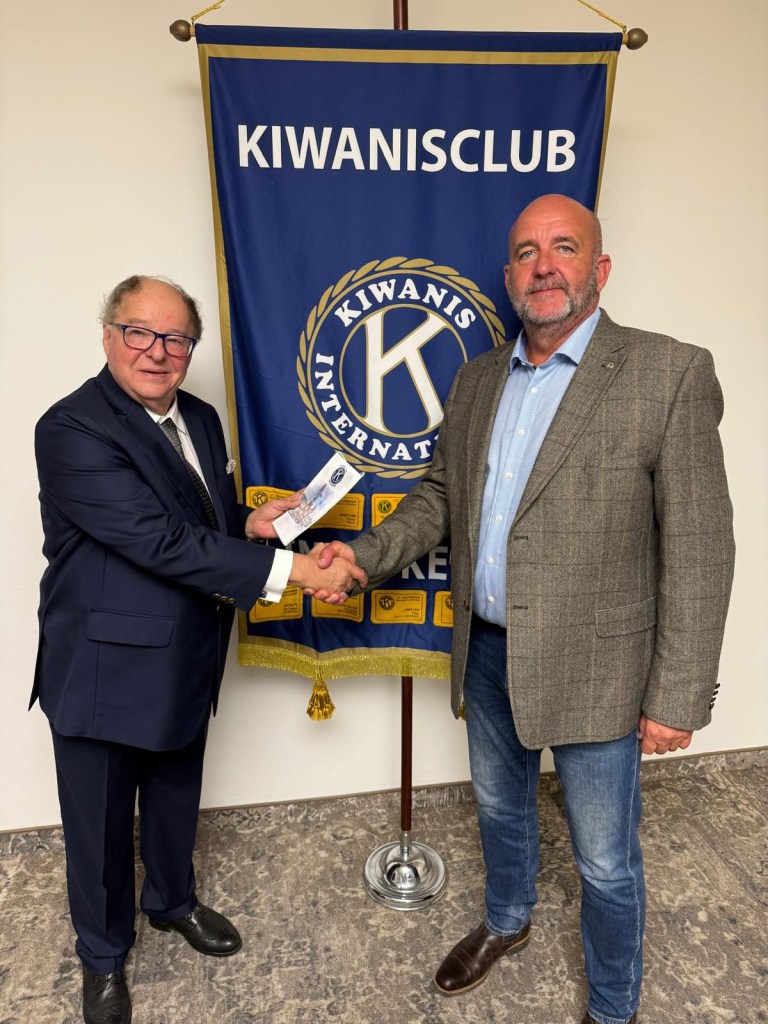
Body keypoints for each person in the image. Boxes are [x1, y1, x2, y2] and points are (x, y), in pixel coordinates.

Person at [315, 195, 735, 1024]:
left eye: (564, 248)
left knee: (605, 860)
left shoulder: (670, 373)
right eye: (527, 252)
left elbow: (700, 547)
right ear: (508, 276)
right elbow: (439, 498)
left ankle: (612, 1005)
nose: (544, 266)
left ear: (599, 268)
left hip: (601, 667)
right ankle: (507, 921)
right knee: (502, 808)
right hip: (486, 650)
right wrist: (359, 558)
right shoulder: (476, 380)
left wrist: (677, 696)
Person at [32, 275, 365, 1024]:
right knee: (100, 825)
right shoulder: (72, 428)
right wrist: (297, 572)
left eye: (177, 339)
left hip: (186, 649)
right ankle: (102, 956)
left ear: (191, 349)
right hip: (102, 667)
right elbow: (158, 539)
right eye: (140, 332)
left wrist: (249, 523)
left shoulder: (202, 418)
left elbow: (195, 516)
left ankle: (171, 902)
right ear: (109, 335)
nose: (158, 352)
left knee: (176, 794)